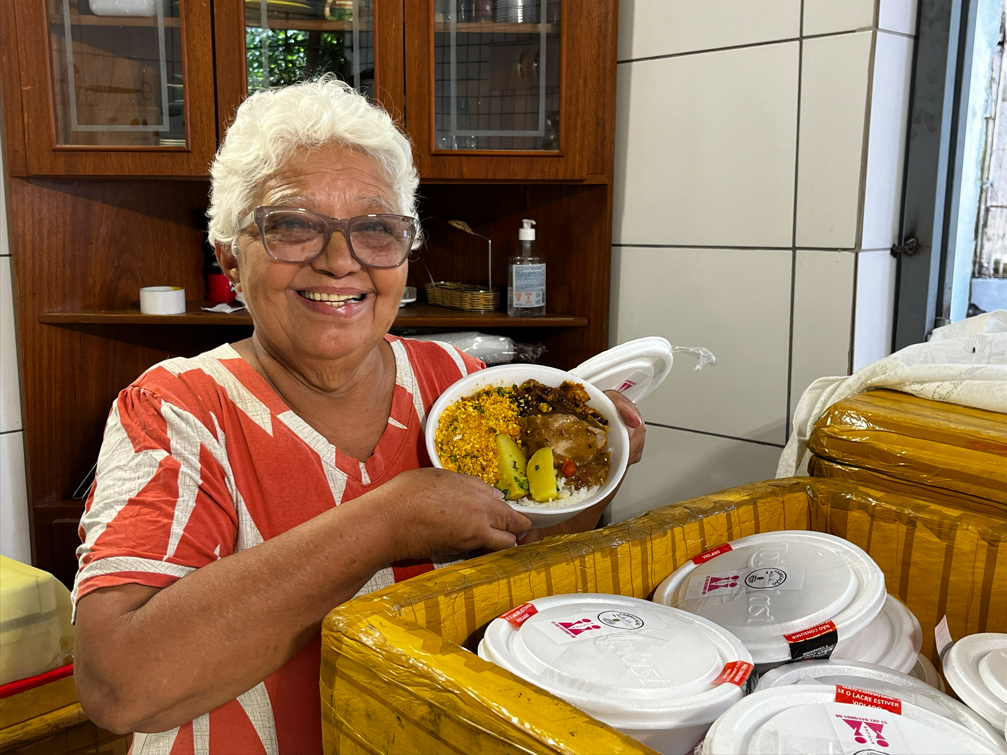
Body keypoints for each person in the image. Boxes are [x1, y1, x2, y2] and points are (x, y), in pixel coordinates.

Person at [72, 78, 646, 755]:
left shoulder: (459, 385)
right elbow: (119, 685)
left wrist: (594, 468)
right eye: (292, 225)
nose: (340, 262)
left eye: (375, 228)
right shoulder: (178, 406)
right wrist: (385, 523)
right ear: (228, 253)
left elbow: (523, 558)